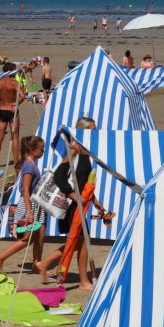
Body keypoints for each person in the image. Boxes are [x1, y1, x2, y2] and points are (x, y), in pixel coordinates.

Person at [34, 117, 109, 290]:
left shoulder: (86, 151)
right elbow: (59, 177)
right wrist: (75, 197)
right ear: (83, 130)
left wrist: (95, 200)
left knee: (79, 241)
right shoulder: (74, 150)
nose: (96, 131)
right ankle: (83, 281)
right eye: (92, 128)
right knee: (81, 241)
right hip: (72, 206)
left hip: (82, 203)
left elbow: (83, 181)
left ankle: (46, 264)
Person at [0, 136, 46, 272]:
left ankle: (36, 264)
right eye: (41, 149)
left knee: (39, 233)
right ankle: (0, 257)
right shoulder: (29, 166)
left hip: (34, 203)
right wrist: (29, 212)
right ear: (32, 150)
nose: (43, 152)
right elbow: (26, 190)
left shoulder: (31, 164)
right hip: (29, 204)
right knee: (26, 237)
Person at [0, 62, 24, 170]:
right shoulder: (14, 83)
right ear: (11, 71)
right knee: (15, 137)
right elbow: (22, 96)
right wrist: (16, 104)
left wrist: (2, 99)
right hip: (12, 111)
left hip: (2, 110)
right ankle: (15, 162)